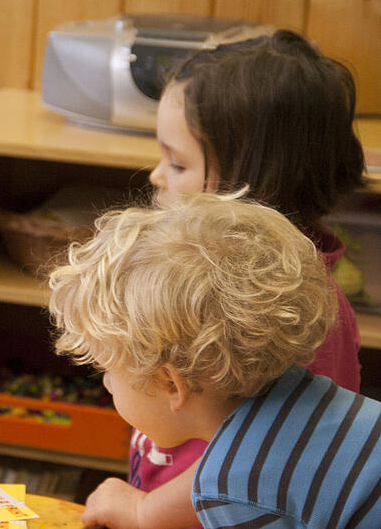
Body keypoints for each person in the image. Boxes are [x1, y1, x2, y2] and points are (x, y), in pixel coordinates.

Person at [99, 29, 367, 528]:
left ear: (252, 184)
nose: (156, 176)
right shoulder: (205, 282)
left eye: (178, 163)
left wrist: (143, 512)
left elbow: (270, 458)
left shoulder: (294, 315)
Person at [48, 192, 381, 528]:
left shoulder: (231, 486)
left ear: (170, 383)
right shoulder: (305, 390)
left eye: (107, 369)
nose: (106, 382)